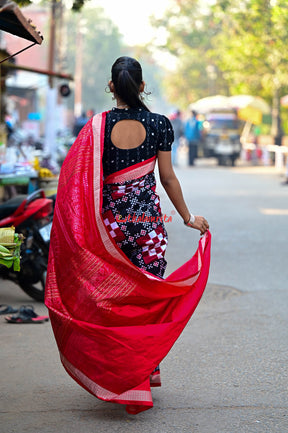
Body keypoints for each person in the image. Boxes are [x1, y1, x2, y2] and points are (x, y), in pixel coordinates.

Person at [45, 56, 211, 415]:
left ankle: (116, 374)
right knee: (146, 299)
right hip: (148, 228)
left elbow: (75, 182)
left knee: (113, 301)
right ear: (140, 86)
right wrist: (187, 217)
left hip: (109, 230)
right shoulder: (159, 124)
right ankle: (142, 371)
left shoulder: (96, 127)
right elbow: (167, 179)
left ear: (110, 87)